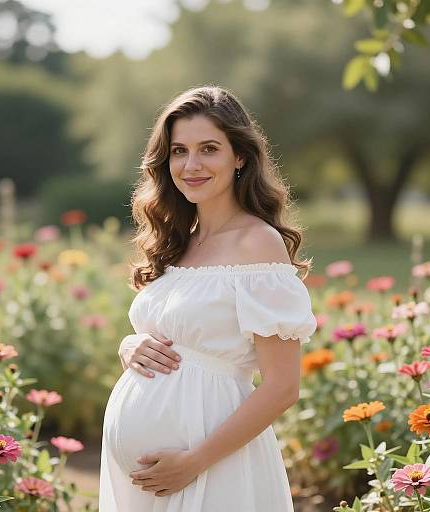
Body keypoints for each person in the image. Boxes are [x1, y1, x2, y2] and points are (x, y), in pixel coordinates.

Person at [99, 85, 317, 511]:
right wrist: (130, 346)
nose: (191, 164)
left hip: (211, 466)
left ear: (240, 156)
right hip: (143, 482)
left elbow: (282, 387)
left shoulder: (258, 244)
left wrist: (193, 462)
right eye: (179, 151)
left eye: (209, 149)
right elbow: (173, 338)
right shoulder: (178, 240)